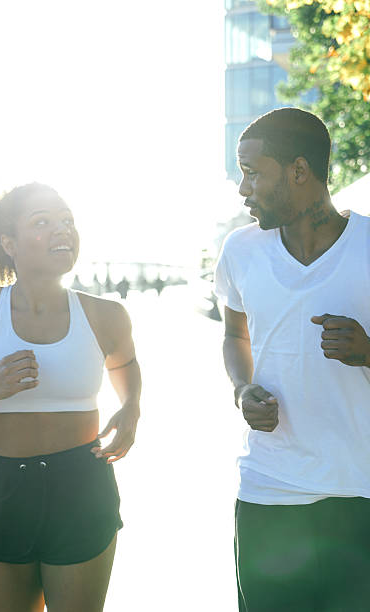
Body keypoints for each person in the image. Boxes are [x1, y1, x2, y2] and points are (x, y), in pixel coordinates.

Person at [214, 108, 370, 611]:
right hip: (269, 491)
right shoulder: (239, 250)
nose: (243, 189)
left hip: (359, 493)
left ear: (299, 172)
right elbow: (234, 334)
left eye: (253, 173)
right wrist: (242, 390)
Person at [0, 182, 141, 612]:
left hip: (81, 487)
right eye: (42, 222)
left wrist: (131, 408)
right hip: (1, 489)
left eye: (67, 221)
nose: (62, 230)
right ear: (9, 243)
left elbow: (125, 365)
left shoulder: (107, 315)